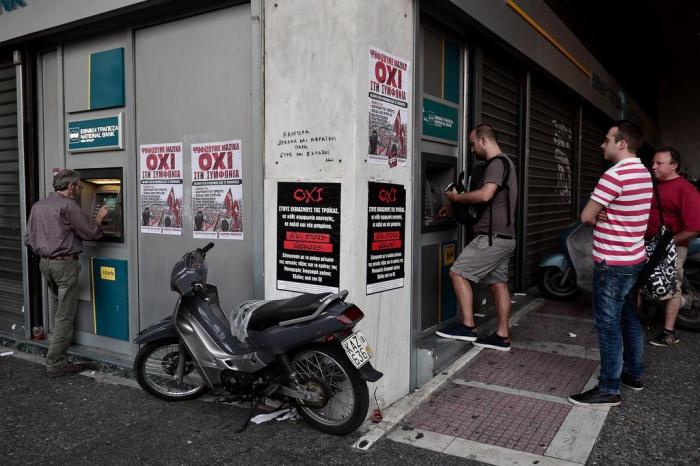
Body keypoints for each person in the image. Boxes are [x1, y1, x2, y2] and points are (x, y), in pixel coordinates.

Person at [568, 120, 652, 407]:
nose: (602, 144)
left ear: (622, 143)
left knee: (607, 324)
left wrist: (599, 212)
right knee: (628, 317)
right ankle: (633, 374)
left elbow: (586, 216)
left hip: (612, 262)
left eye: (607, 139)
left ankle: (608, 388)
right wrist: (605, 212)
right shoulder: (643, 172)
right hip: (634, 259)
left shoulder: (613, 175)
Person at [435, 124, 518, 351]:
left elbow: (485, 195)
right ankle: (502, 336)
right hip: (506, 237)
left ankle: (468, 327)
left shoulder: (496, 164)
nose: (472, 149)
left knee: (458, 272)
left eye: (473, 144)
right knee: (498, 284)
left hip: (492, 238)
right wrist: (453, 209)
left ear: (483, 141)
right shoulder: (507, 163)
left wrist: (455, 199)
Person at [25, 169, 108, 378]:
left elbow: (28, 238)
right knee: (64, 315)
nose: (79, 189)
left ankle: (56, 350)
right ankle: (56, 362)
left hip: (45, 264)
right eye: (78, 186)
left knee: (56, 308)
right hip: (65, 266)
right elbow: (92, 233)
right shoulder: (68, 206)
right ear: (70, 186)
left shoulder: (38, 205)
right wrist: (98, 218)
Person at [644, 146, 700, 346]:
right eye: (653, 162)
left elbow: (694, 228)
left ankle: (669, 333)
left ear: (674, 165)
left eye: (659, 163)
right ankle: (640, 320)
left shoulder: (686, 190)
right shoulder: (654, 184)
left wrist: (667, 243)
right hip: (649, 244)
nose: (653, 167)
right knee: (645, 283)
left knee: (671, 286)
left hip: (672, 247)